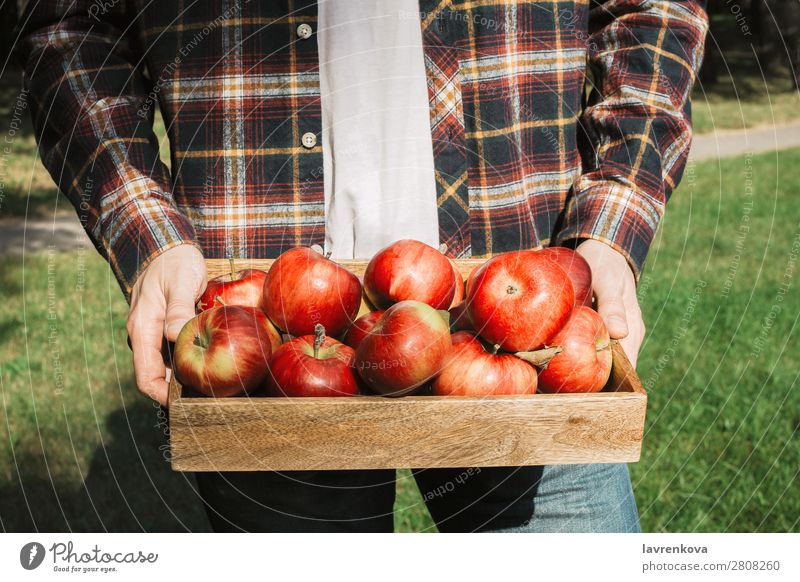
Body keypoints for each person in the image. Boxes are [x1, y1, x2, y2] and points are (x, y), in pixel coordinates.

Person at [17, 0, 708, 532]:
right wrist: (147, 227)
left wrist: (614, 217)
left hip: (528, 330)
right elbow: (70, 23)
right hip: (267, 338)